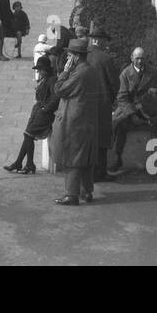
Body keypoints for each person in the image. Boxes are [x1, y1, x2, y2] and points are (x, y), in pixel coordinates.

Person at [49, 38, 102, 206]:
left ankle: (71, 195)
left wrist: (64, 72)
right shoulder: (91, 71)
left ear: (76, 57)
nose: (67, 59)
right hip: (88, 121)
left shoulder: (79, 73)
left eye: (69, 56)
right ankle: (87, 191)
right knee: (85, 159)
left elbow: (59, 89)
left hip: (75, 123)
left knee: (72, 158)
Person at [109, 48, 157, 176]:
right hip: (129, 108)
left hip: (148, 108)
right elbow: (122, 98)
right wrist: (133, 114)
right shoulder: (125, 74)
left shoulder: (153, 72)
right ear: (132, 58)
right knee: (119, 125)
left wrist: (156, 91)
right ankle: (117, 157)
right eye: (137, 58)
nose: (140, 61)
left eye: (142, 58)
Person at [4, 56, 60, 174]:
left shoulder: (51, 80)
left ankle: (29, 164)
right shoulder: (44, 79)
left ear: (46, 69)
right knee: (27, 135)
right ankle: (19, 163)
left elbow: (55, 98)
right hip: (37, 111)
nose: (39, 72)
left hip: (44, 113)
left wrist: (45, 109)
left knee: (28, 135)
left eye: (40, 70)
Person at [85, 26, 121, 181]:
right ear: (98, 40)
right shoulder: (105, 58)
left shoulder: (83, 56)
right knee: (102, 139)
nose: (106, 43)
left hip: (84, 104)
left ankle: (87, 173)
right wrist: (111, 99)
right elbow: (115, 83)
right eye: (105, 40)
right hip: (102, 104)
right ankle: (100, 172)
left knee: (87, 139)